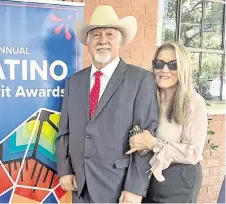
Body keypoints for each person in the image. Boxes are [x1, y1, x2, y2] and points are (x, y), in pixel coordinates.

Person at [55, 5, 159, 203]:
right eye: (96, 35)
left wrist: (135, 188)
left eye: (110, 34)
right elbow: (64, 132)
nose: (103, 40)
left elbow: (146, 139)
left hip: (118, 189)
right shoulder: (74, 82)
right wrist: (64, 170)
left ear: (120, 40)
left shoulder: (140, 79)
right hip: (80, 186)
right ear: (88, 42)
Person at [126, 41, 208, 203]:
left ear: (183, 68)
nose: (164, 70)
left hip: (179, 180)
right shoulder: (147, 99)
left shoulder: (193, 102)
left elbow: (193, 153)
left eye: (173, 65)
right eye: (159, 63)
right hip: (148, 180)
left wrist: (154, 143)